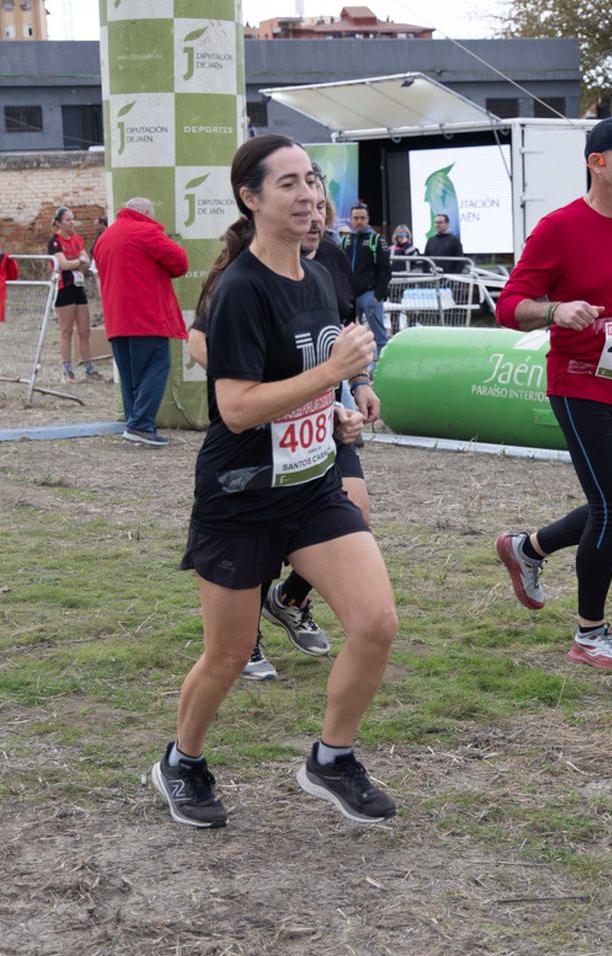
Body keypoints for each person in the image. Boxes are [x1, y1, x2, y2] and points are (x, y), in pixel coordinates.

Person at [156, 134, 398, 828]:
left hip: (312, 485)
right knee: (228, 655)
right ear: (251, 197)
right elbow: (235, 407)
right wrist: (329, 375)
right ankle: (183, 760)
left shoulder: (319, 278)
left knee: (376, 621)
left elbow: (305, 394)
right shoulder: (237, 291)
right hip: (240, 495)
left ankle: (331, 757)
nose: (308, 195)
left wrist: (338, 412)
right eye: (287, 183)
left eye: (312, 181)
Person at [492, 115, 612, 670]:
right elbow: (509, 306)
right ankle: (589, 634)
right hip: (578, 385)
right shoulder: (559, 228)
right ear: (597, 162)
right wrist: (556, 310)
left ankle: (526, 548)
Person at [186, 179, 375, 682]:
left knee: (356, 507)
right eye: (303, 205)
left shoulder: (326, 268)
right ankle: (244, 637)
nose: (314, 217)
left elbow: (337, 340)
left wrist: (352, 389)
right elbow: (201, 344)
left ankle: (289, 599)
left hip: (318, 427)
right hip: (256, 440)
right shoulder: (239, 277)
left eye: (320, 209)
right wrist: (249, 378)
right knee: (258, 542)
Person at [93, 196, 187, 448]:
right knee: (154, 369)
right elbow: (180, 263)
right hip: (146, 317)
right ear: (145, 212)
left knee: (130, 375)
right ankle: (141, 425)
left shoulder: (105, 237)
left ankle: (134, 423)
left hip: (116, 319)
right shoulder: (147, 231)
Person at [48, 206, 103, 383]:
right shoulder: (55, 242)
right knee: (66, 330)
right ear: (58, 222)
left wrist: (78, 262)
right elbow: (63, 264)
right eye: (68, 220)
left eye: (73, 219)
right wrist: (78, 261)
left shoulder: (76, 238)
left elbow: (87, 261)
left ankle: (89, 368)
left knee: (85, 330)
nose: (72, 223)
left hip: (78, 286)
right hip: (64, 287)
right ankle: (67, 371)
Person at [341, 201, 391, 356]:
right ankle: (354, 368)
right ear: (351, 219)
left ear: (368, 219)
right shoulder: (346, 240)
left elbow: (385, 270)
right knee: (349, 335)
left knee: (379, 335)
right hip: (350, 297)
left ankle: (381, 365)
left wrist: (378, 296)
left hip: (369, 295)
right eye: (355, 218)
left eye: (362, 218)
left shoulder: (376, 240)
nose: (359, 221)